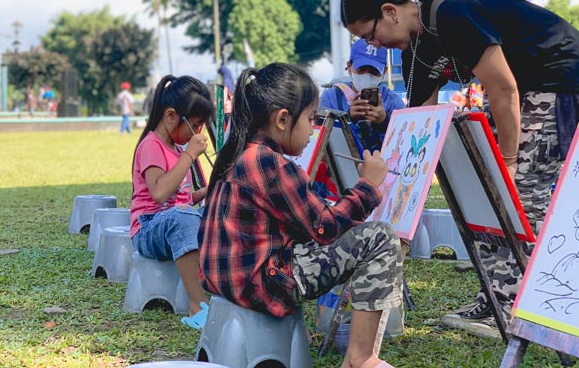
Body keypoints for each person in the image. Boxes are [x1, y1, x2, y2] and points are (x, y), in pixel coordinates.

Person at [340, 0, 579, 331]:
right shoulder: (417, 49)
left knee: (520, 195)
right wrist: (402, 195)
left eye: (369, 35)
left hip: (553, 79)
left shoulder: (452, 13)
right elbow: (421, 125)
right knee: (487, 193)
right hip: (516, 90)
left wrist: (509, 162)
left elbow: (504, 88)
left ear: (390, 11)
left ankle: (518, 308)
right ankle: (496, 296)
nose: (374, 44)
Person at [199, 63, 403, 368]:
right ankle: (360, 357)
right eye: (310, 119)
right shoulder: (270, 164)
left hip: (227, 281)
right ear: (282, 119)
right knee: (381, 237)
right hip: (261, 285)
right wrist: (368, 186)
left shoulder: (239, 152)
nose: (313, 129)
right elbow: (325, 227)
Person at [130, 74, 215, 329]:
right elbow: (159, 193)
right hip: (147, 229)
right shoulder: (151, 146)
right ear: (171, 117)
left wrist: (209, 193)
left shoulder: (177, 149)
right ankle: (197, 305)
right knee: (182, 217)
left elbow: (183, 197)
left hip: (174, 222)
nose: (199, 132)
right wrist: (189, 154)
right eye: (196, 125)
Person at [320, 38, 405, 153]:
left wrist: (384, 122)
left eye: (373, 71)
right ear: (349, 66)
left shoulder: (393, 102)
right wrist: (348, 119)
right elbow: (321, 141)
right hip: (343, 168)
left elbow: (403, 144)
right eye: (361, 69)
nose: (367, 75)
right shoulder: (331, 97)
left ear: (384, 71)